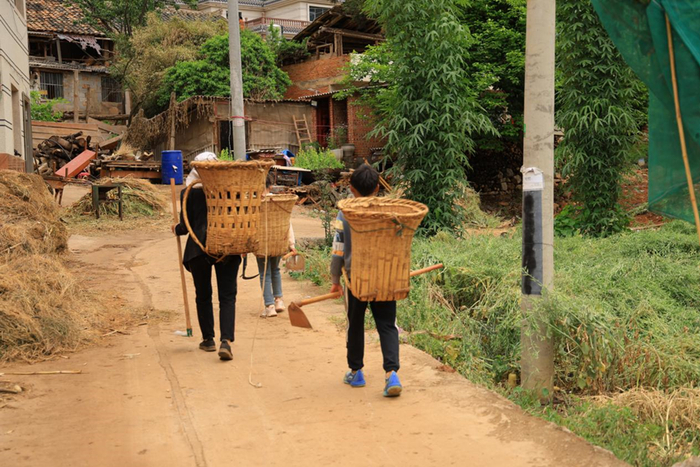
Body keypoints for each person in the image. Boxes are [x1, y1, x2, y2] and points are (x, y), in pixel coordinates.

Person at [330, 164, 402, 397]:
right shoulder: (389, 212)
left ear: (352, 189)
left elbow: (338, 249)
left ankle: (356, 371)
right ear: (377, 188)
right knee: (387, 324)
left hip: (357, 279)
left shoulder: (345, 213)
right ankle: (391, 374)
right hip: (385, 275)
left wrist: (335, 279)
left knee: (355, 323)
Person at [173, 152, 241, 361]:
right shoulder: (230, 190)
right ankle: (226, 341)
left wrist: (176, 228)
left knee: (203, 295)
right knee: (227, 296)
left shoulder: (189, 192)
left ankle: (208, 339)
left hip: (198, 249)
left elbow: (185, 226)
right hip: (227, 247)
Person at [257, 174, 296, 317]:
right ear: (271, 186)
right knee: (275, 270)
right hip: (278, 242)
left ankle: (269, 306)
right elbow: (287, 223)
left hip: (261, 244)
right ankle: (279, 300)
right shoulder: (279, 201)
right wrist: (291, 243)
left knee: (264, 274)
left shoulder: (255, 202)